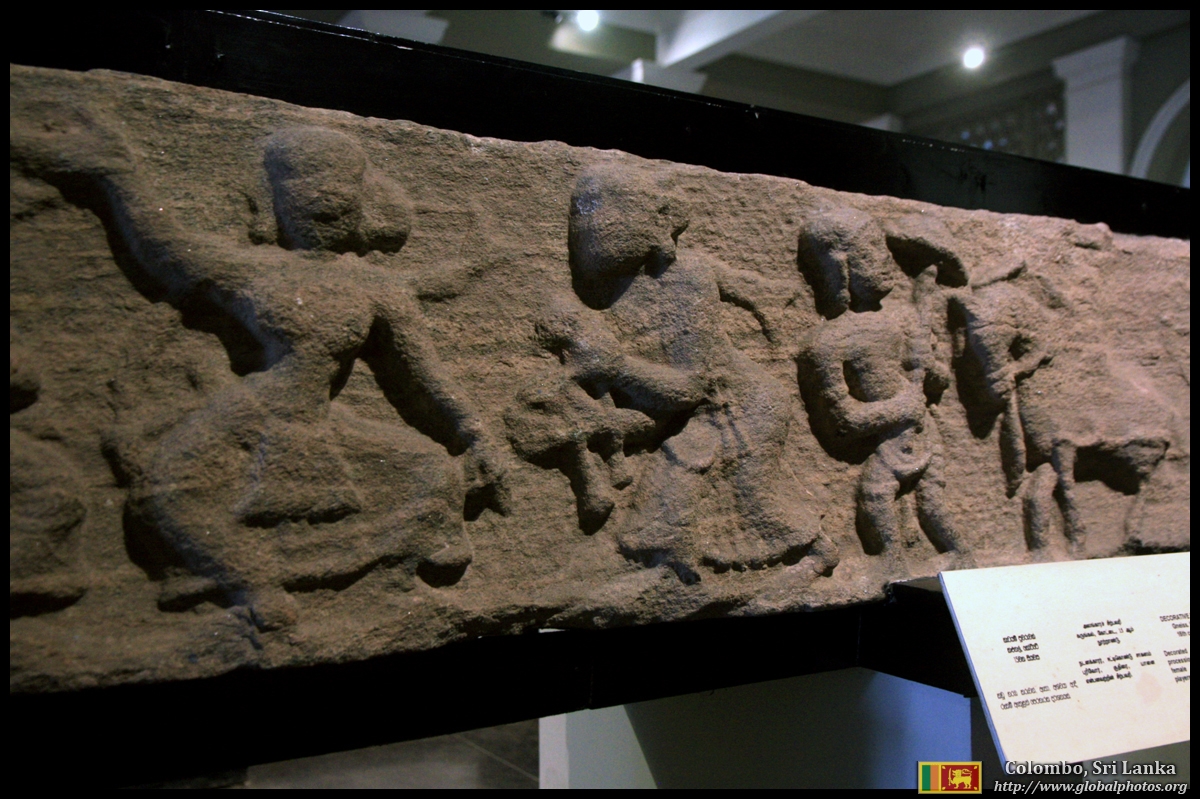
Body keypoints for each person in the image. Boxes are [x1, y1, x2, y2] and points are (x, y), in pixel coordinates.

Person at [13, 118, 509, 628]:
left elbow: (426, 374)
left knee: (432, 471)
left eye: (338, 197)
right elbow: (165, 244)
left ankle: (383, 573)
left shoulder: (377, 288)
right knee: (166, 491)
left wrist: (476, 433)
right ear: (274, 204)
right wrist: (117, 175)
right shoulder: (254, 270)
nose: (323, 205)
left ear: (364, 204)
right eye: (302, 194)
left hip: (320, 419)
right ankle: (250, 581)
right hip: (252, 410)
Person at [508, 164, 838, 582]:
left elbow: (687, 388)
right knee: (659, 516)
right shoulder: (598, 293)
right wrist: (604, 420)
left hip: (738, 410)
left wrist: (616, 367)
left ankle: (815, 554)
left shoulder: (683, 280)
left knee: (752, 502)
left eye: (609, 211)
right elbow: (647, 401)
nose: (591, 227)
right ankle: (679, 578)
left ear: (654, 221)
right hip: (680, 414)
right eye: (583, 213)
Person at [797, 208, 963, 558]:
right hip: (888, 439)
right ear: (842, 268)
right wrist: (899, 408)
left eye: (883, 247)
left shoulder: (903, 321)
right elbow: (842, 422)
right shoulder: (828, 342)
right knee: (875, 497)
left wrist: (927, 362)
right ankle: (892, 564)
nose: (886, 259)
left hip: (922, 432)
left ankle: (962, 556)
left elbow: (937, 382)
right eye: (872, 250)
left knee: (933, 505)